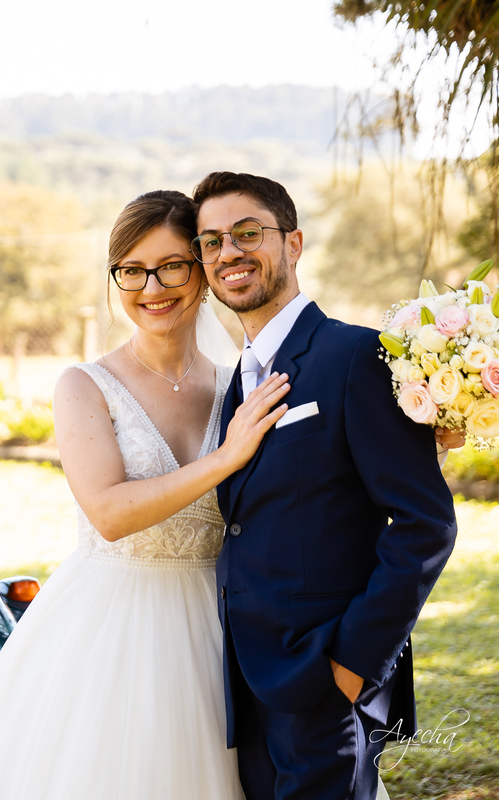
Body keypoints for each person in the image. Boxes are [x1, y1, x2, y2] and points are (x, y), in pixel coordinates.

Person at [0, 190, 291, 799]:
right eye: (131, 271)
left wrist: (431, 434)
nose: (151, 287)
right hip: (111, 627)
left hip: (224, 624)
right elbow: (109, 512)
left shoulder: (241, 385)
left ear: (202, 270)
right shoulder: (84, 386)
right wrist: (225, 457)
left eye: (171, 266)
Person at [193, 171, 458, 800]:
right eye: (211, 242)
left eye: (248, 233)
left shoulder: (356, 357)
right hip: (248, 684)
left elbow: (425, 525)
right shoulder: (235, 384)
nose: (228, 252)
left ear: (293, 243)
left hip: (324, 680)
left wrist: (353, 665)